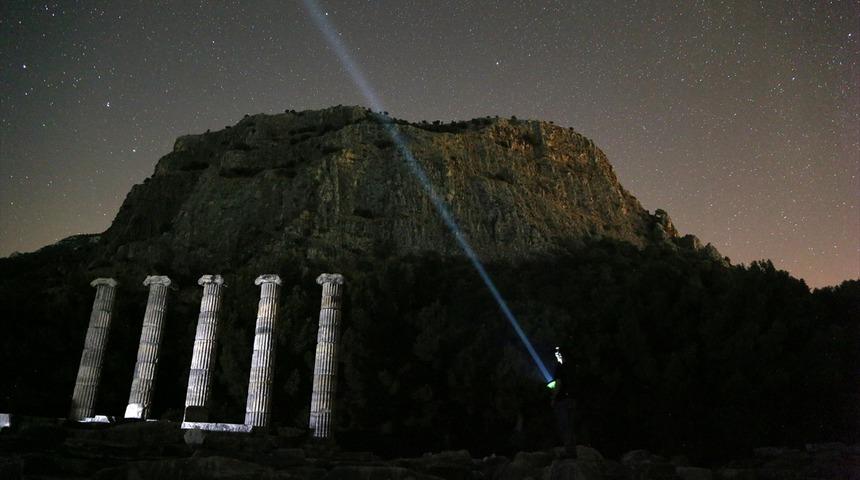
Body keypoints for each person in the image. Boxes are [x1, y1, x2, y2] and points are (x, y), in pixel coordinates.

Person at [548, 346, 577, 458]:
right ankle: (572, 451)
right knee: (570, 426)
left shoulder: (559, 368)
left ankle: (568, 451)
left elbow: (559, 384)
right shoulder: (572, 368)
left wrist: (553, 397)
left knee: (564, 426)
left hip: (562, 401)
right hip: (572, 399)